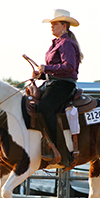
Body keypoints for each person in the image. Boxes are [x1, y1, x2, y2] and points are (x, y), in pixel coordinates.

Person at [33, 9, 83, 167]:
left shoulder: (66, 43)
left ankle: (62, 153)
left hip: (63, 84)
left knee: (44, 108)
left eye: (55, 24)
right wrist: (41, 74)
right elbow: (56, 68)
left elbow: (68, 68)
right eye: (52, 24)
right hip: (54, 82)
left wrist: (45, 69)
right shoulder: (57, 43)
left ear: (64, 26)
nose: (52, 26)